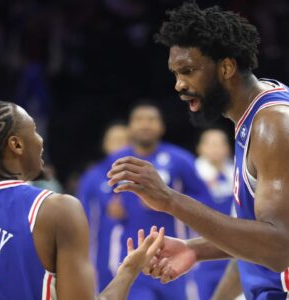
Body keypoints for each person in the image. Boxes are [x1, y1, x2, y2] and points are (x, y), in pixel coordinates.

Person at [107, 2, 289, 299]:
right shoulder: (255, 113)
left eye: (188, 71)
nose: (179, 85)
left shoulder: (273, 125)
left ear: (226, 67)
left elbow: (280, 248)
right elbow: (255, 234)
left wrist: (168, 199)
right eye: (175, 73)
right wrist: (194, 249)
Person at [0, 101, 164, 300]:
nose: (40, 140)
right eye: (35, 130)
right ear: (16, 145)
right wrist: (129, 270)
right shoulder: (55, 209)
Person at [108, 102, 212, 300]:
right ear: (130, 127)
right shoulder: (117, 159)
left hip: (173, 254)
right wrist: (112, 207)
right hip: (131, 258)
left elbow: (204, 199)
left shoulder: (180, 160)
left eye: (151, 120)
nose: (145, 125)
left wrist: (167, 200)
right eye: (139, 120)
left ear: (161, 126)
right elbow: (104, 196)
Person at [77, 121, 129, 291]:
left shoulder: (141, 176)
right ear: (105, 144)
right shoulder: (92, 177)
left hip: (131, 254)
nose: (120, 146)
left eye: (124, 140)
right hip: (100, 258)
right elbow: (80, 218)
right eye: (114, 140)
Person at [190, 128, 234, 300]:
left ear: (228, 148)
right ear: (200, 148)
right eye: (211, 143)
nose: (216, 148)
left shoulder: (238, 174)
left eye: (220, 143)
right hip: (200, 257)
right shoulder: (191, 175)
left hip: (234, 254)